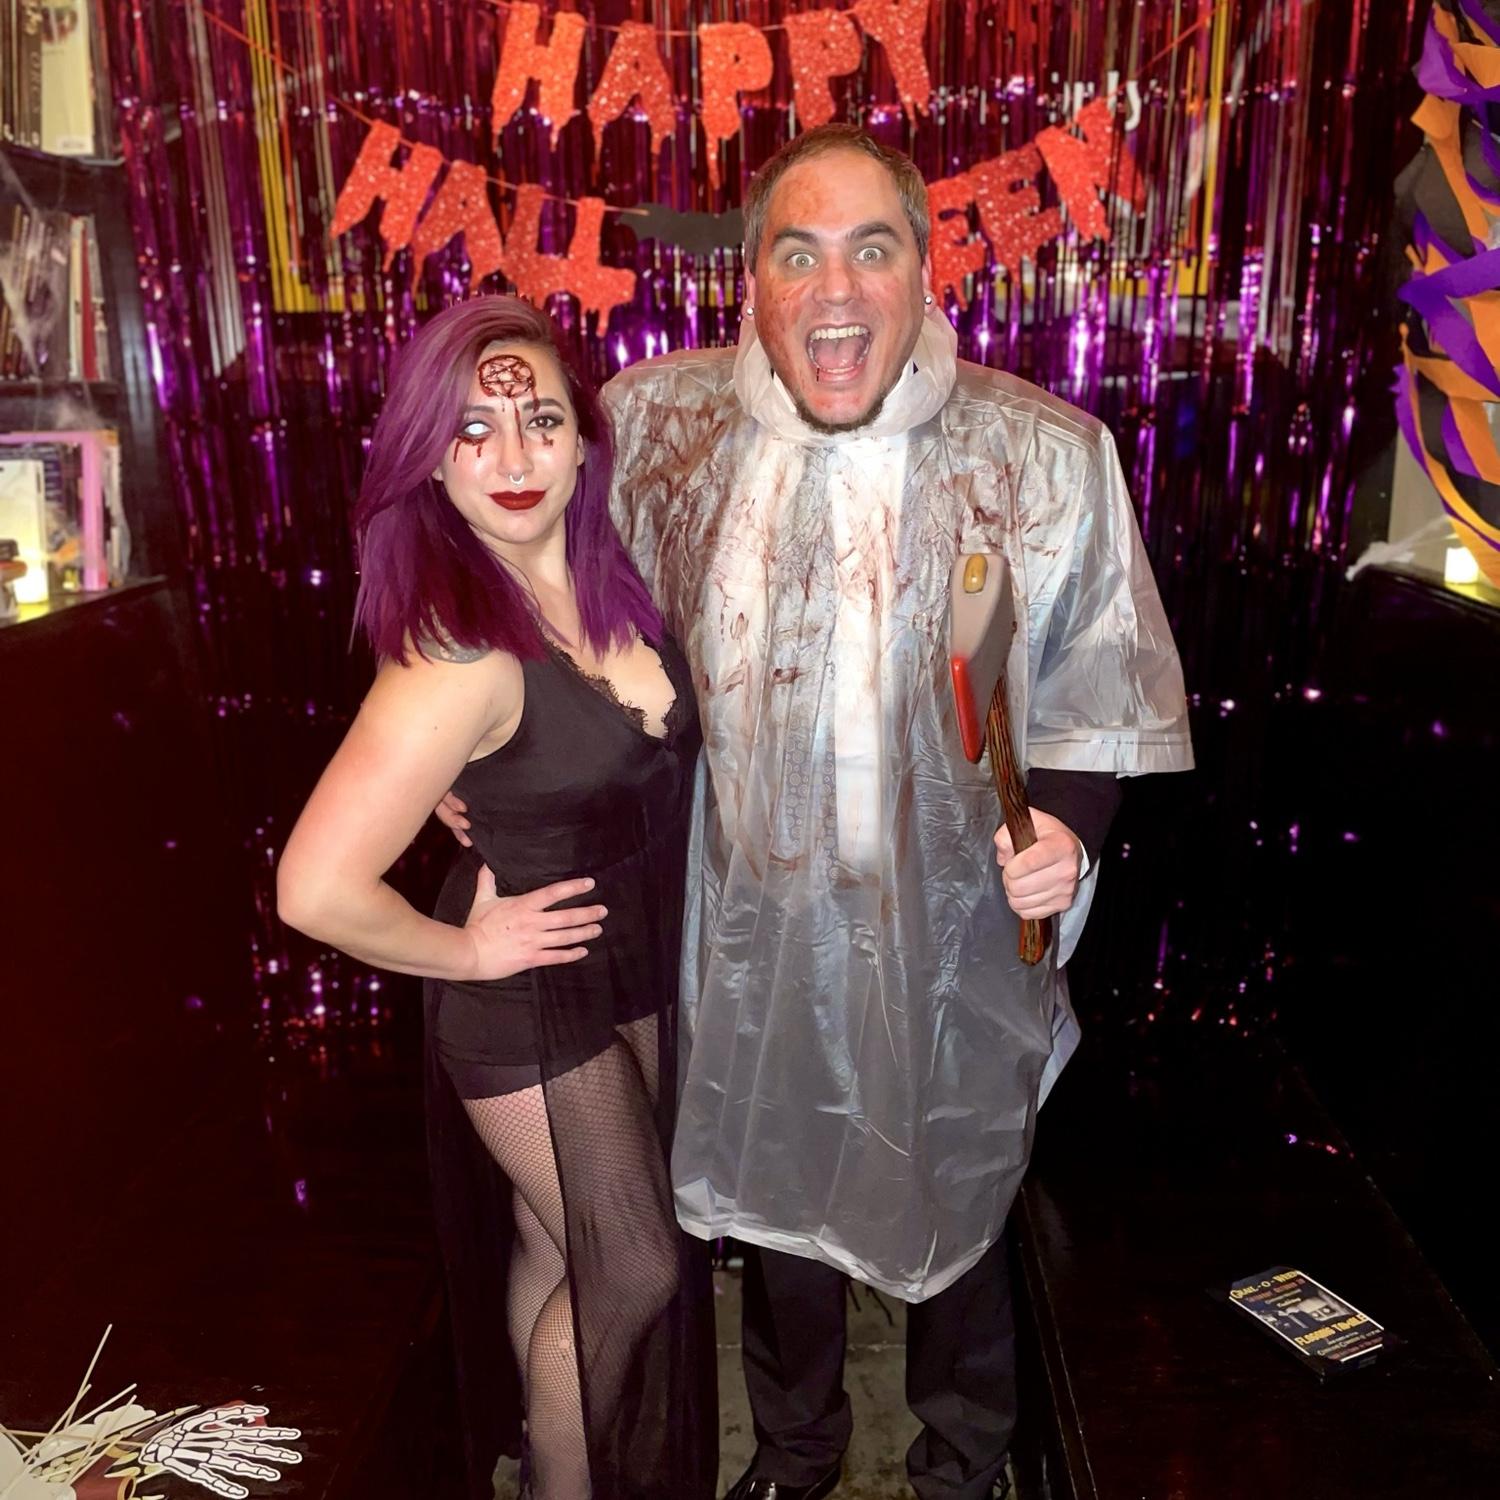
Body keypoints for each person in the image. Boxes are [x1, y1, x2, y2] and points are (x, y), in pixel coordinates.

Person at [277, 296, 716, 1500]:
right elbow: (312, 886)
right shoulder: (457, 655)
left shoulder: (606, 578)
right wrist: (466, 954)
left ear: (583, 440)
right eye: (472, 430)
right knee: (633, 1268)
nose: (514, 457)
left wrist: (445, 785)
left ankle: (534, 1440)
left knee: (554, 1238)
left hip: (624, 962)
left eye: (541, 421)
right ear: (430, 457)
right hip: (523, 995)